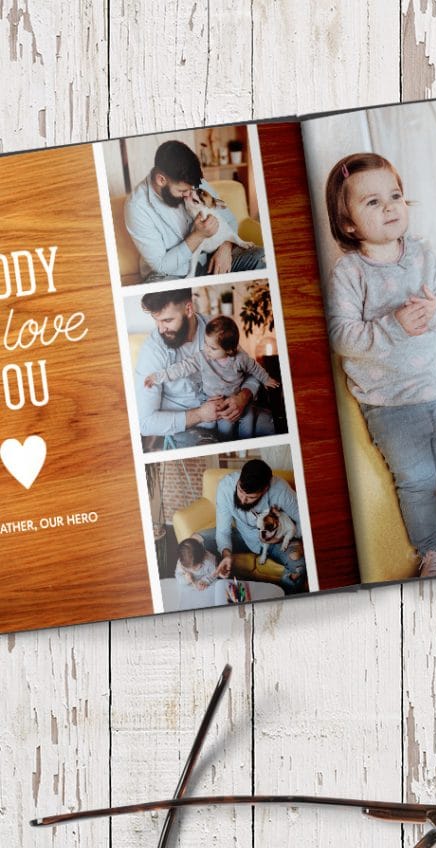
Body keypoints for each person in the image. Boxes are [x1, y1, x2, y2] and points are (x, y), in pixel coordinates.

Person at [323, 151, 436, 578]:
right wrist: (393, 327)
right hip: (391, 403)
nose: (390, 206)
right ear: (349, 223)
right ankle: (435, 551)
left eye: (394, 195)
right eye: (372, 202)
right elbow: (342, 336)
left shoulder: (423, 255)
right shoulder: (350, 273)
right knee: (416, 480)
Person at [134, 289, 274, 448]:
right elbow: (144, 423)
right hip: (191, 427)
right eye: (156, 320)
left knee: (273, 425)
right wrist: (200, 415)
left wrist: (243, 396)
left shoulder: (216, 329)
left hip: (232, 409)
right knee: (209, 444)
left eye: (167, 320)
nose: (160, 329)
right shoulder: (152, 351)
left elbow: (247, 367)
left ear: (188, 309)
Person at [124, 139, 266, 281]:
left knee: (262, 255)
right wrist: (198, 235)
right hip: (171, 274)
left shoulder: (193, 182)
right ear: (161, 180)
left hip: (210, 259)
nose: (189, 194)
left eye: (192, 189)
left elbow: (229, 220)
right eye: (182, 191)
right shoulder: (137, 207)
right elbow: (162, 265)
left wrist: (225, 247)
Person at [200, 459, 307, 594]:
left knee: (299, 567)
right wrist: (226, 554)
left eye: (250, 497)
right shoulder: (226, 486)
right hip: (242, 533)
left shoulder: (281, 490)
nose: (243, 500)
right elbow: (223, 531)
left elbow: (305, 519)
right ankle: (213, 589)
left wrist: (282, 537)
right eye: (240, 491)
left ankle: (281, 600)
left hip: (276, 540)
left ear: (265, 489)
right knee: (198, 540)